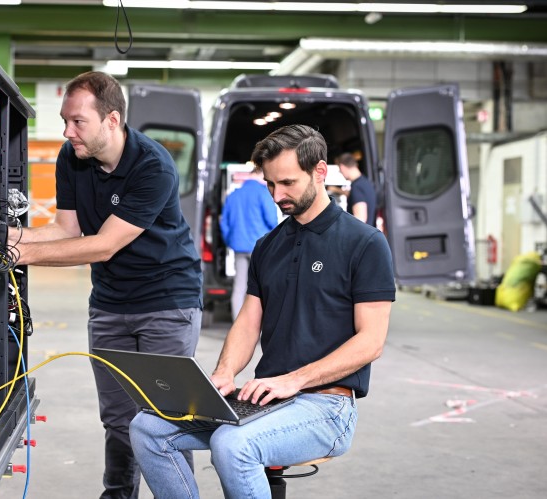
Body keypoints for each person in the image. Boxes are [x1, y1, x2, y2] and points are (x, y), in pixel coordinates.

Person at [129, 124, 395, 499]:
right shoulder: (268, 245)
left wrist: (295, 380)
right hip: (265, 398)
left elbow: (371, 341)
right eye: (270, 184)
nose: (277, 195)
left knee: (232, 444)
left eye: (287, 182)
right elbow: (249, 320)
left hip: (326, 406)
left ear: (319, 172)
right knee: (147, 429)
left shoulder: (365, 243)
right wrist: (224, 373)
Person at [9, 71, 203, 499]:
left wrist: (19, 255)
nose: (67, 131)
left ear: (112, 120)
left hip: (166, 302)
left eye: (78, 121)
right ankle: (117, 495)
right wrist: (5, 237)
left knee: (164, 418)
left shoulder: (152, 165)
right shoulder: (70, 157)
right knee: (117, 417)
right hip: (111, 303)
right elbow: (65, 229)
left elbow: (102, 246)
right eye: (64, 120)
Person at [219, 168, 279, 322]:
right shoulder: (263, 193)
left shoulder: (233, 195)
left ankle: (239, 325)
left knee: (239, 287)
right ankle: (262, 326)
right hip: (261, 247)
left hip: (238, 246)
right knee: (263, 287)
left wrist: (231, 241)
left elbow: (224, 223)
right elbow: (272, 221)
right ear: (261, 175)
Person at [336, 152, 377, 226]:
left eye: (339, 169)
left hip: (361, 236)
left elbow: (360, 219)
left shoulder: (356, 187)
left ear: (342, 167)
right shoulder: (365, 183)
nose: (340, 172)